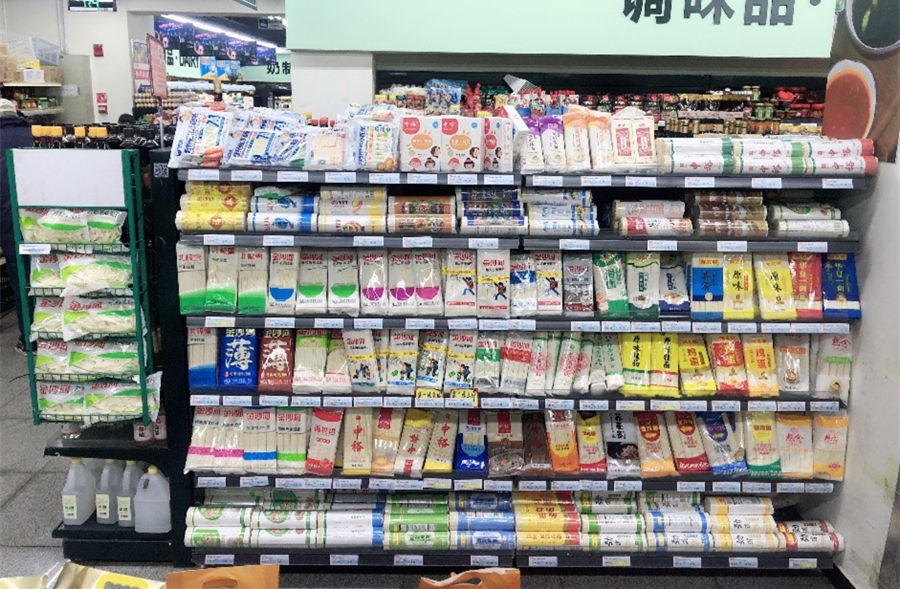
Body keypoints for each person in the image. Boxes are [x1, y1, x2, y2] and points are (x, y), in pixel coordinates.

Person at [0, 98, 33, 353]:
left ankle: (30, 340)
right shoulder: (35, 134)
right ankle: (55, 335)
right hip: (42, 219)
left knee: (21, 281)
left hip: (9, 222)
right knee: (48, 277)